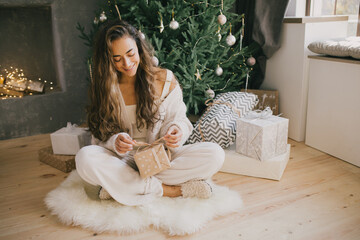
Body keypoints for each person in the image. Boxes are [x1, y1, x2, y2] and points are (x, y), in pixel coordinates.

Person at [75, 19, 224, 206]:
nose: (127, 63)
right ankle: (170, 190)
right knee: (84, 158)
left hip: (160, 160)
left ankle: (124, 186)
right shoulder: (105, 87)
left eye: (130, 54)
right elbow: (100, 132)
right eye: (117, 59)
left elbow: (179, 118)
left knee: (215, 154)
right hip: (123, 161)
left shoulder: (164, 79)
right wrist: (115, 141)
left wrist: (177, 130)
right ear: (108, 60)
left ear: (139, 48)